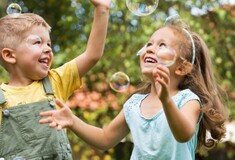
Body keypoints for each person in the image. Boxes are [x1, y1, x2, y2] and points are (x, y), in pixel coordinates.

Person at [39, 15, 227, 160]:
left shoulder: (187, 100)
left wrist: (166, 101)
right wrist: (73, 121)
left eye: (162, 45)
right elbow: (105, 138)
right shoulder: (134, 105)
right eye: (149, 44)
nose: (150, 49)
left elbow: (183, 134)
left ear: (182, 67)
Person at [0, 0, 111, 159]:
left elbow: (92, 55)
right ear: (10, 55)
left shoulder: (55, 81)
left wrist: (102, 8)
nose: (48, 48)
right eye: (38, 42)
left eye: (49, 43)